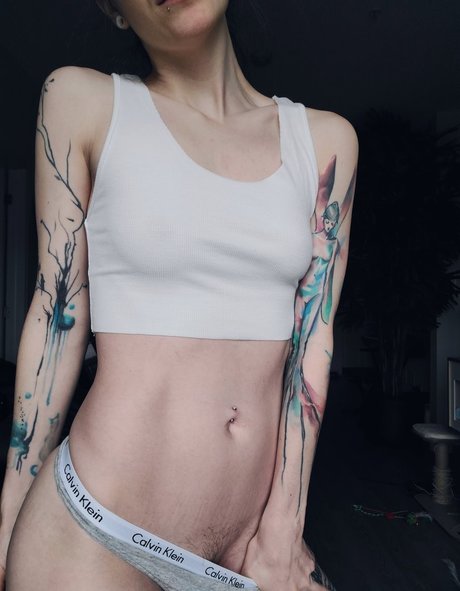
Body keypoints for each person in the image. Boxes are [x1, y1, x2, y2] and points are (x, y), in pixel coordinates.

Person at [0, 0, 358, 589]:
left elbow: (313, 338)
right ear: (115, 10)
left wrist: (284, 530)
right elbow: (57, 308)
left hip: (252, 548)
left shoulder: (326, 141)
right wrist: (10, 515)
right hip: (94, 532)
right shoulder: (82, 101)